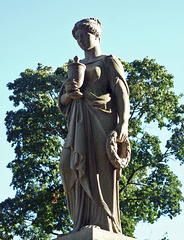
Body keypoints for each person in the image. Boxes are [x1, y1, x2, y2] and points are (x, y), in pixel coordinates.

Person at [58, 18, 130, 234]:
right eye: (77, 37)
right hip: (78, 123)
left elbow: (121, 92)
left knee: (99, 170)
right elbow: (61, 100)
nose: (80, 40)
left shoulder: (108, 61)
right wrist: (68, 95)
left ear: (97, 35)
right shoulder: (75, 66)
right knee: (67, 165)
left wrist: (124, 123)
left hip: (102, 120)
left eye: (84, 36)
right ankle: (80, 222)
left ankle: (104, 221)